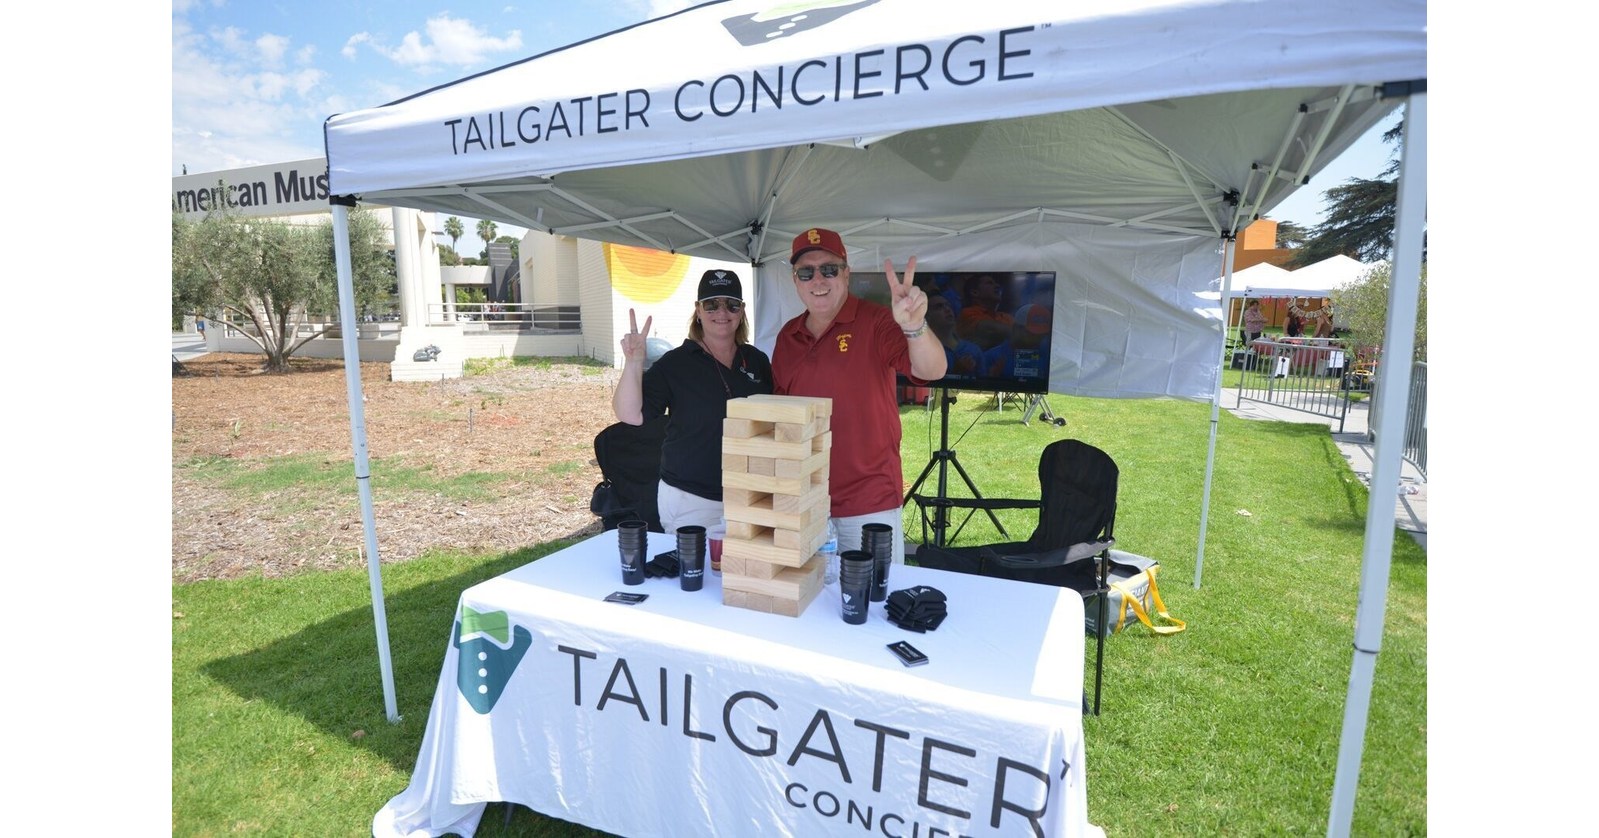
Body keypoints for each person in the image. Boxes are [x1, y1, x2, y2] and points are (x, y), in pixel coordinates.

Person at [772, 228, 948, 566]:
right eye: (806, 272)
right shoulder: (787, 337)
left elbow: (932, 370)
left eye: (829, 269)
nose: (818, 280)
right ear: (795, 280)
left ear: (846, 272)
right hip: (805, 502)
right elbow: (783, 419)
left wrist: (915, 327)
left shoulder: (877, 321)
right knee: (811, 607)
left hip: (869, 503)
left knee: (876, 605)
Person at [612, 269, 773, 535]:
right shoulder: (675, 364)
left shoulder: (756, 360)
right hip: (691, 498)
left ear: (742, 310)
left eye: (731, 304)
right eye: (711, 304)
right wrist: (633, 362)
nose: (722, 313)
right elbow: (630, 414)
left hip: (748, 494)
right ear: (698, 310)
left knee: (743, 574)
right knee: (695, 574)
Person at [926, 294, 984, 378]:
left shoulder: (974, 350)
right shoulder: (923, 352)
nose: (947, 309)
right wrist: (955, 371)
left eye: (948, 305)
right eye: (939, 307)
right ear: (927, 317)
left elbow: (982, 384)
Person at [955, 273, 1013, 349]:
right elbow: (992, 329)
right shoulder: (966, 313)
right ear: (975, 292)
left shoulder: (1006, 316)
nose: (997, 286)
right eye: (989, 283)